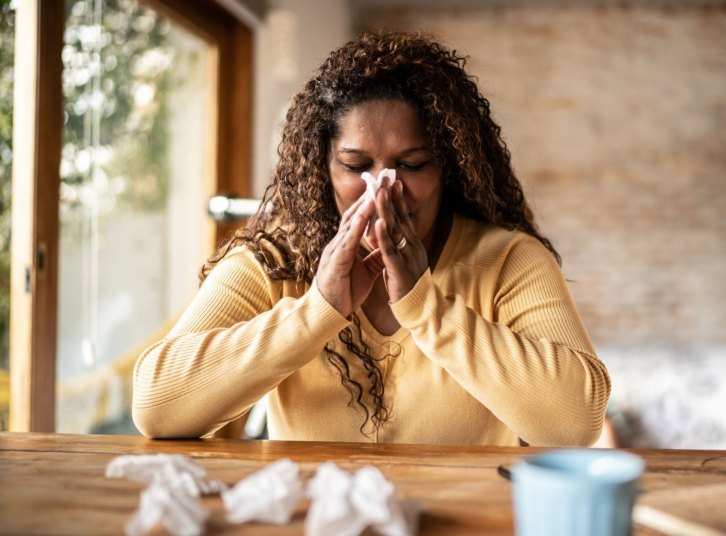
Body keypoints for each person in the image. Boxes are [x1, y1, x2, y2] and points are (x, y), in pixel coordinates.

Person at [132, 31, 610, 446]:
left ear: (449, 166)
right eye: (358, 167)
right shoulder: (275, 260)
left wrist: (425, 305)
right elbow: (155, 406)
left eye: (413, 164)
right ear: (323, 169)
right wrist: (318, 309)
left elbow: (576, 424)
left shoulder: (507, 260)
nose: (384, 189)